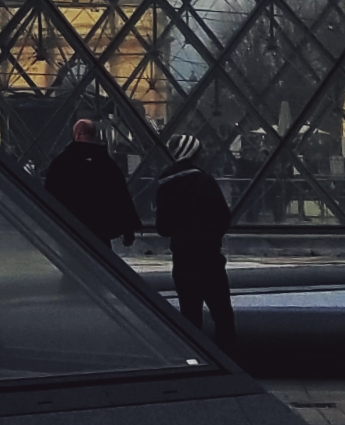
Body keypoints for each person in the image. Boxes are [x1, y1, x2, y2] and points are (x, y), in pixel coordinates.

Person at [152, 137, 235, 345]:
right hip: (208, 257)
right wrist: (211, 238)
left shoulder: (164, 184)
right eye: (201, 151)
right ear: (193, 154)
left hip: (182, 259)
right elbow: (223, 216)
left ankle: (196, 359)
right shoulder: (205, 181)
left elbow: (163, 228)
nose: (205, 155)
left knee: (190, 315)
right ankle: (230, 358)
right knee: (222, 313)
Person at [44, 116, 139, 252]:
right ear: (95, 135)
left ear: (76, 135)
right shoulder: (107, 164)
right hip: (100, 230)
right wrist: (128, 232)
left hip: (70, 228)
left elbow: (50, 196)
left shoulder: (61, 163)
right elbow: (121, 196)